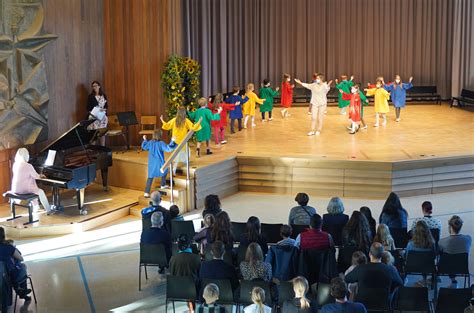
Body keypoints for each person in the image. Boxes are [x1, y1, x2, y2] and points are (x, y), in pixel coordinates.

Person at [11, 148, 52, 214]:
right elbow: (36, 176)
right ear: (26, 156)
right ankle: (49, 210)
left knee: (33, 187)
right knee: (40, 192)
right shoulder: (28, 165)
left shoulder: (15, 164)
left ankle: (36, 208)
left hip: (16, 188)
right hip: (24, 189)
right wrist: (41, 175)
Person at [161, 107, 202, 173]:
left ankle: (180, 166)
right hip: (183, 141)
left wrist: (162, 120)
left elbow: (167, 126)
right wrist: (199, 122)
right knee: (185, 153)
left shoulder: (174, 120)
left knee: (178, 155)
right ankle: (176, 169)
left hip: (175, 141)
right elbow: (193, 127)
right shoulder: (186, 121)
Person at [438, 215, 472, 287]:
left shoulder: (442, 241)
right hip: (462, 267)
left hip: (444, 268)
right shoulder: (468, 239)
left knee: (445, 253)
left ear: (450, 227)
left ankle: (452, 280)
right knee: (455, 255)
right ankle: (453, 281)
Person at [141, 130, 177, 197]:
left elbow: (144, 147)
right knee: (165, 170)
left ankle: (146, 192)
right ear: (160, 136)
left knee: (150, 177)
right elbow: (168, 148)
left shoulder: (150, 142)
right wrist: (172, 141)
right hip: (159, 162)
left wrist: (145, 139)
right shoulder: (161, 143)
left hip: (151, 163)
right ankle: (163, 185)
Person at [0, 227, 31, 301]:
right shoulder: (8, 247)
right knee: (22, 267)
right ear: (3, 236)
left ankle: (19, 289)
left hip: (2, 277)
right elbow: (21, 258)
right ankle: (22, 292)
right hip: (9, 277)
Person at [87, 81, 108, 145]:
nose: (94, 87)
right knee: (94, 134)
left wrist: (104, 109)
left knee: (102, 133)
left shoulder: (103, 95)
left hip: (102, 117)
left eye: (95, 86)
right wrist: (92, 112)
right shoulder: (90, 96)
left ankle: (103, 148)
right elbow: (87, 108)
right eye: (93, 86)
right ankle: (94, 149)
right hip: (94, 117)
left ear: (99, 86)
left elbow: (106, 106)